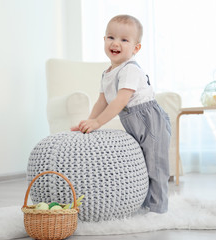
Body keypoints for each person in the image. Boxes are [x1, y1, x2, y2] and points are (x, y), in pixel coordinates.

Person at [71, 14, 171, 213]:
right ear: (104, 40)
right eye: (111, 37)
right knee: (139, 165)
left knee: (155, 167)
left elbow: (121, 100)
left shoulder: (130, 70)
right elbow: (103, 100)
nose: (116, 43)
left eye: (124, 40)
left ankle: (158, 209)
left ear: (136, 48)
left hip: (150, 120)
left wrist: (98, 122)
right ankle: (142, 204)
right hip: (133, 121)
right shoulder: (108, 73)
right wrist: (89, 121)